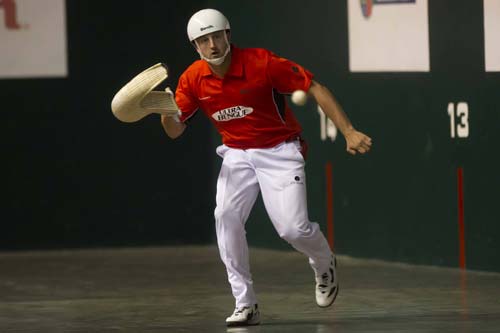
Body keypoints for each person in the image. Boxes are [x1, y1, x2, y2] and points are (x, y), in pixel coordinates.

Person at [161, 8, 372, 327]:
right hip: (236, 153)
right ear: (196, 47)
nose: (213, 46)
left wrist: (349, 131)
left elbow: (315, 87)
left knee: (292, 229)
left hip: (280, 151)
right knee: (225, 216)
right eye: (203, 41)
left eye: (217, 36)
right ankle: (244, 302)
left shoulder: (262, 63)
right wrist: (164, 112)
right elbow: (175, 130)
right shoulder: (192, 79)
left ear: (228, 35)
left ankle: (323, 261)